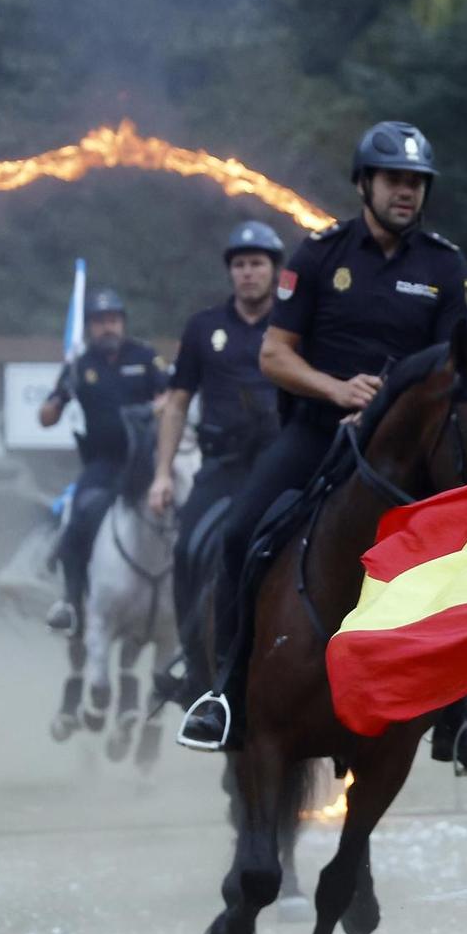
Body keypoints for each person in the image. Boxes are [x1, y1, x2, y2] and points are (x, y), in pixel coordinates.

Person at [177, 121, 467, 774]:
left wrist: (395, 408)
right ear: (365, 184)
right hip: (315, 431)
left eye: (416, 183)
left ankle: (460, 721)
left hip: (407, 448)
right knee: (241, 532)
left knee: (458, 553)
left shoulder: (446, 265)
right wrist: (338, 391)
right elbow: (275, 355)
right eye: (394, 181)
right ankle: (224, 695)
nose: (406, 193)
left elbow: (455, 362)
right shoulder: (319, 255)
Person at [150, 220, 285, 675]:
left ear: (273, 270)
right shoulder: (203, 327)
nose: (248, 273)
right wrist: (163, 473)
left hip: (281, 463)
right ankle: (193, 662)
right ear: (231, 273)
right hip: (222, 466)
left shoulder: (294, 324)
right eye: (240, 264)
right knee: (188, 546)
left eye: (257, 264)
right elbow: (177, 403)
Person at [37, 287, 169, 633]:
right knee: (79, 515)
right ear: (90, 327)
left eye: (113, 320)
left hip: (147, 462)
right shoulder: (81, 365)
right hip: (103, 463)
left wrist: (158, 407)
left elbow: (171, 395)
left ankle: (183, 601)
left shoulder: (144, 356)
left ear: (122, 323)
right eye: (99, 322)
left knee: (183, 512)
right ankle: (70, 600)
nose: (107, 328)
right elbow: (48, 414)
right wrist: (55, 398)